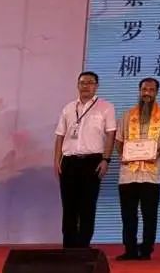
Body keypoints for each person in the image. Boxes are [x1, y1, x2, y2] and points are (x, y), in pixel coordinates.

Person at [53, 71, 116, 249]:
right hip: (69, 161)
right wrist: (57, 160)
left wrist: (106, 159)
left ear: (96, 86)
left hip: (92, 162)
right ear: (77, 85)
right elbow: (60, 135)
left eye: (90, 83)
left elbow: (111, 135)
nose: (85, 86)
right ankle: (68, 247)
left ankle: (83, 248)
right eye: (82, 83)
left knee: (87, 206)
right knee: (69, 206)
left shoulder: (106, 107)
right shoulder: (68, 108)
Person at [113, 77, 160, 261]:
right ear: (139, 91)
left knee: (149, 214)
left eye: (151, 90)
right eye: (144, 90)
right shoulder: (127, 115)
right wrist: (123, 155)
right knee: (128, 214)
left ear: (156, 93)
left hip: (151, 173)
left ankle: (146, 250)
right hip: (128, 173)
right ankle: (130, 249)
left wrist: (157, 152)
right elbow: (119, 140)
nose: (147, 93)